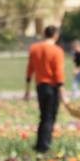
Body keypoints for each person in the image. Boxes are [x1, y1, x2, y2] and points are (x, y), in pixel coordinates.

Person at [24, 25, 68, 153]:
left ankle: (39, 143)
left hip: (40, 87)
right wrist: (63, 93)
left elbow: (29, 69)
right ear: (56, 35)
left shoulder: (34, 49)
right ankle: (44, 145)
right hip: (52, 87)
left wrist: (27, 90)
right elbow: (58, 73)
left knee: (43, 116)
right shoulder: (57, 51)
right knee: (50, 117)